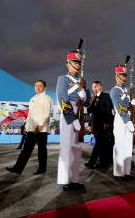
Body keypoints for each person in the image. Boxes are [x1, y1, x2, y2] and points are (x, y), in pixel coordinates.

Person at [56, 51, 91, 191]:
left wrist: (85, 96)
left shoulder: (82, 81)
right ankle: (64, 180)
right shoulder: (63, 79)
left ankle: (74, 179)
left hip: (80, 112)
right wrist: (72, 118)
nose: (77, 64)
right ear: (68, 64)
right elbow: (62, 98)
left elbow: (88, 103)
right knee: (66, 147)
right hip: (68, 113)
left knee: (76, 148)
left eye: (78, 62)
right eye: (75, 62)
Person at [6, 80, 52, 175]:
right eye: (36, 85)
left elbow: (46, 114)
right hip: (32, 129)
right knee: (28, 150)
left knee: (40, 150)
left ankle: (38, 169)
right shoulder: (33, 98)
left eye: (40, 86)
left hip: (40, 129)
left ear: (44, 88)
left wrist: (39, 124)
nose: (38, 87)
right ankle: (20, 168)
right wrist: (27, 128)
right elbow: (30, 115)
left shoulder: (46, 98)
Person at [110, 64, 135, 181]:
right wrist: (128, 121)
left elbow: (126, 105)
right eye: (122, 75)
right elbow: (120, 107)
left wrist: (132, 103)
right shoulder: (114, 90)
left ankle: (127, 172)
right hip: (121, 119)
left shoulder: (125, 90)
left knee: (128, 146)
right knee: (120, 146)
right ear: (116, 76)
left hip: (128, 118)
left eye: (125, 75)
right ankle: (118, 173)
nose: (124, 77)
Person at [85, 81, 114, 169]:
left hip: (103, 125)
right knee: (101, 145)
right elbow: (90, 111)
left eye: (95, 87)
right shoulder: (93, 98)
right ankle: (103, 163)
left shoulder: (106, 96)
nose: (94, 89)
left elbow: (109, 111)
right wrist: (90, 124)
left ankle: (92, 162)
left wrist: (107, 123)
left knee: (98, 144)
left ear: (100, 86)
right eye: (93, 87)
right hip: (95, 125)